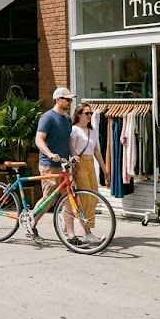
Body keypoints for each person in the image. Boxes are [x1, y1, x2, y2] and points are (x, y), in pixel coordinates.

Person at [30, 87, 76, 240]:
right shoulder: (47, 117)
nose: (70, 102)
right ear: (58, 100)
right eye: (67, 99)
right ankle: (31, 223)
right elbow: (39, 139)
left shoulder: (67, 119)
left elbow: (69, 140)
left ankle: (70, 235)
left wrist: (74, 155)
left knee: (69, 198)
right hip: (49, 164)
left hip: (64, 164)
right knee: (49, 198)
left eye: (71, 99)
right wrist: (50, 154)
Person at [67, 103, 109, 246]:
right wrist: (74, 157)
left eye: (91, 113)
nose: (90, 116)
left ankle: (86, 227)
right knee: (85, 198)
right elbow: (72, 147)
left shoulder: (92, 131)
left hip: (90, 163)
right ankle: (87, 233)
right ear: (79, 114)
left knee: (94, 196)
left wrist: (105, 170)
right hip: (80, 164)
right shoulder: (75, 130)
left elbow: (97, 151)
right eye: (87, 113)